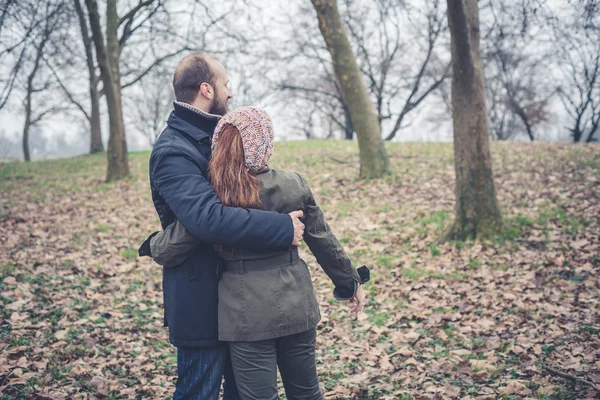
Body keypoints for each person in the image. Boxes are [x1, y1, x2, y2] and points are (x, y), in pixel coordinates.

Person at [148, 106, 370, 400]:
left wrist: (153, 244)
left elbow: (174, 245)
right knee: (307, 393)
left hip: (245, 316)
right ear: (266, 144)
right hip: (297, 305)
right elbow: (322, 240)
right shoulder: (294, 184)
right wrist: (350, 283)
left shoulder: (217, 195)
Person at [138, 52, 306, 400]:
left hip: (241, 298)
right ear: (206, 89)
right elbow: (207, 220)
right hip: (201, 298)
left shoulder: (220, 137)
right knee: (199, 391)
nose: (230, 92)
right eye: (225, 84)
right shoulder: (174, 151)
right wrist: (282, 229)